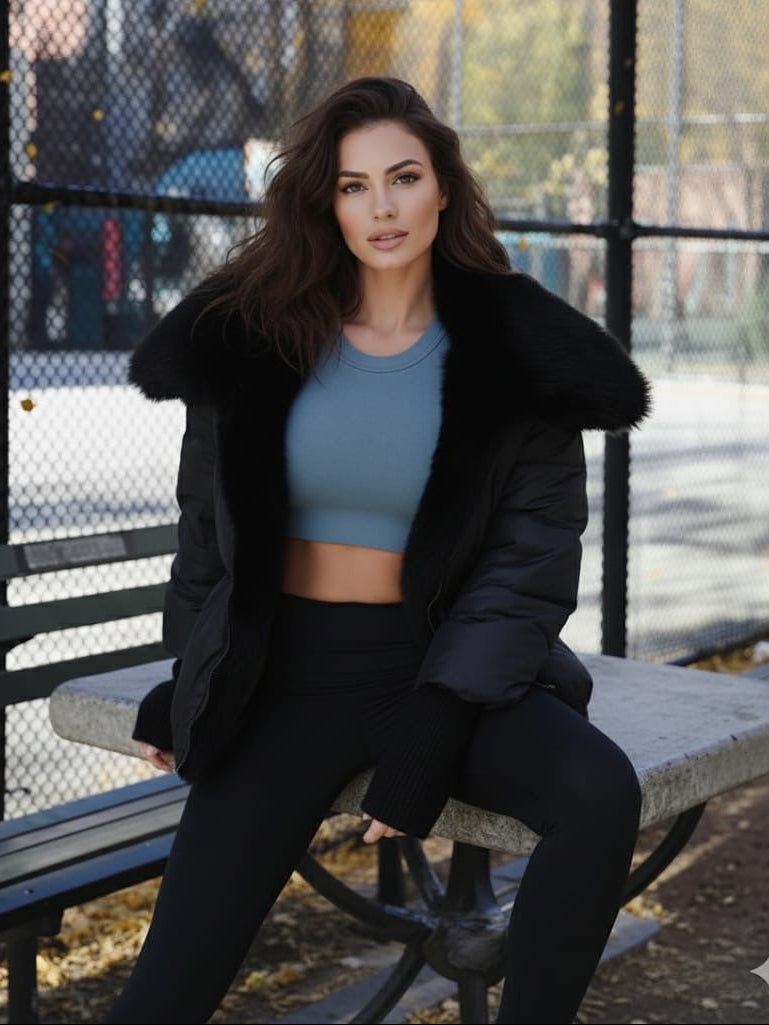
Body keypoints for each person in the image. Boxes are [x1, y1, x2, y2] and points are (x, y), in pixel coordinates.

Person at [106, 76, 651, 1024]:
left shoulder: (518, 349)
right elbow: (207, 536)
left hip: (437, 667)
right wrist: (193, 673)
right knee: (163, 994)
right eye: (354, 186)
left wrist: (438, 719)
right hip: (283, 675)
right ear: (327, 201)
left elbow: (529, 558)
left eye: (403, 177)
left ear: (444, 186)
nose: (382, 206)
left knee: (600, 795)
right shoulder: (253, 333)